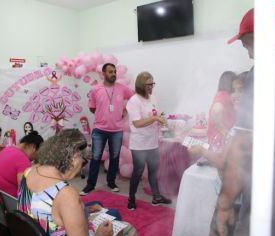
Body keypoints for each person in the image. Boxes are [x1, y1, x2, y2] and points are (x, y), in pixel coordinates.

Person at [214, 7, 275, 236]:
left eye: (247, 46)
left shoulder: (267, 68)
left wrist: (224, 203)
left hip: (272, 201)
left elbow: (244, 145)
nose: (251, 55)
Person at [18, 129, 120, 236]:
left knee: (98, 206)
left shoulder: (29, 171)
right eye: (83, 161)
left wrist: (81, 210)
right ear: (74, 159)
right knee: (114, 214)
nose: (82, 165)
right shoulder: (66, 193)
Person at [80, 63, 133, 195]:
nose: (113, 74)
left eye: (114, 71)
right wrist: (103, 114)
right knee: (96, 157)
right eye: (110, 72)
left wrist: (126, 110)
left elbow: (133, 98)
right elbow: (92, 107)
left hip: (117, 130)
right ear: (103, 74)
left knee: (114, 157)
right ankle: (90, 185)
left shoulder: (122, 88)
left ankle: (111, 182)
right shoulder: (95, 89)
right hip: (99, 129)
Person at [125, 72, 171, 210]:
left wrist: (160, 121)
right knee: (138, 172)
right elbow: (137, 123)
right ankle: (131, 198)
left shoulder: (153, 98)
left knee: (153, 171)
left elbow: (155, 115)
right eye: (148, 84)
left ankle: (156, 197)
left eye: (152, 84)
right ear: (141, 85)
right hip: (139, 144)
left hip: (152, 141)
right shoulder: (134, 101)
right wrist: (155, 119)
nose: (151, 87)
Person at [0, 131, 43, 197]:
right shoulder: (23, 160)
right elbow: (24, 193)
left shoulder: (8, 149)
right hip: (6, 202)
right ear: (33, 147)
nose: (37, 157)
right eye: (39, 152)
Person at [207, 71, 237, 152]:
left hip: (217, 140)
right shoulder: (223, 94)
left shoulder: (222, 94)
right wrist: (226, 133)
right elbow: (216, 110)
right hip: (220, 141)